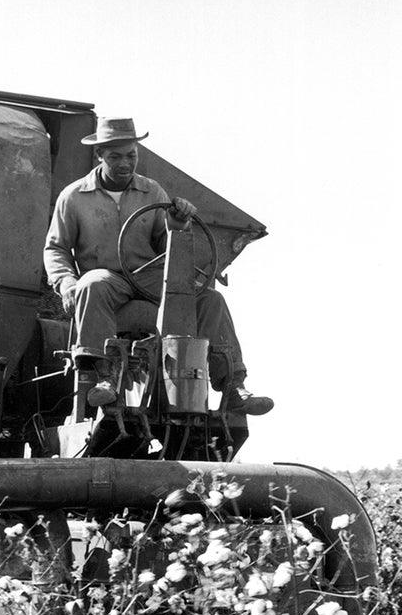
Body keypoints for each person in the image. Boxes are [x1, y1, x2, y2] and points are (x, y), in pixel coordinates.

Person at [43, 116, 272, 414]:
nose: (125, 163)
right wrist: (67, 284)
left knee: (209, 299)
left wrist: (176, 226)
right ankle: (106, 378)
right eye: (115, 157)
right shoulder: (73, 197)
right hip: (106, 278)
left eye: (131, 155)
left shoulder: (153, 192)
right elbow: (56, 248)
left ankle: (233, 386)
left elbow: (167, 251)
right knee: (92, 284)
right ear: (99, 155)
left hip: (147, 277)